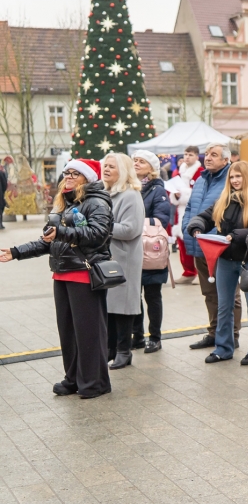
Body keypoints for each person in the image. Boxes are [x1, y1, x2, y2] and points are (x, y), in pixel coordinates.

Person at [0, 160, 112, 398]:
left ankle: (95, 383)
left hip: (84, 273)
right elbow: (47, 241)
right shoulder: (64, 203)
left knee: (88, 333)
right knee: (68, 333)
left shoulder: (96, 202)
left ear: (87, 178)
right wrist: (16, 252)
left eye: (75, 173)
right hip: (61, 273)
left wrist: (61, 231)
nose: (68, 177)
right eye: (66, 173)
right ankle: (73, 379)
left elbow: (98, 234)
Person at [187, 161, 248, 366]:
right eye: (232, 177)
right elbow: (204, 217)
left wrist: (235, 235)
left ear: (247, 177)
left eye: (239, 176)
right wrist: (196, 227)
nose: (235, 180)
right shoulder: (224, 199)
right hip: (225, 260)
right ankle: (223, 348)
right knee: (224, 306)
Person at [182, 145, 241, 350]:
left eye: (214, 155)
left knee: (228, 294)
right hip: (199, 243)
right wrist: (188, 227)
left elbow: (232, 213)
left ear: (226, 160)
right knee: (209, 293)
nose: (208, 158)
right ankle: (214, 332)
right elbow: (190, 208)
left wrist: (216, 236)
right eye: (206, 154)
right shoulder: (201, 179)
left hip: (219, 245)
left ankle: (231, 335)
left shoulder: (231, 179)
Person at [100, 153, 145, 370]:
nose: (106, 169)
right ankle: (111, 349)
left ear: (124, 171)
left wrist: (100, 226)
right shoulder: (106, 193)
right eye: (105, 165)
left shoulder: (130, 195)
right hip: (109, 258)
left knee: (123, 307)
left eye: (112, 166)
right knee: (110, 306)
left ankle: (124, 351)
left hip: (124, 258)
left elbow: (130, 229)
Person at [131, 150, 172, 353]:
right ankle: (137, 336)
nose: (136, 163)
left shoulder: (157, 190)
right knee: (134, 295)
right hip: (131, 250)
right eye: (135, 160)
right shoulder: (128, 187)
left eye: (142, 161)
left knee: (152, 296)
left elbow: (162, 219)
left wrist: (134, 225)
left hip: (151, 250)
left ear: (152, 168)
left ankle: (155, 337)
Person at [173, 145, 203, 283]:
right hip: (180, 211)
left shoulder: (200, 172)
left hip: (196, 211)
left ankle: (199, 272)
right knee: (182, 242)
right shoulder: (179, 172)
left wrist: (183, 194)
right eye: (185, 154)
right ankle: (188, 271)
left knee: (195, 242)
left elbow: (199, 193)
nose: (187, 157)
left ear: (196, 156)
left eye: (190, 155)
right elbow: (174, 192)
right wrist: (175, 195)